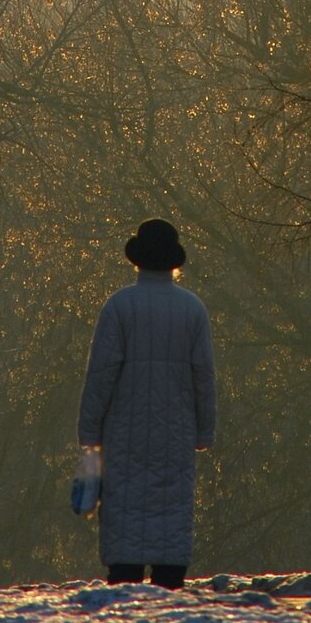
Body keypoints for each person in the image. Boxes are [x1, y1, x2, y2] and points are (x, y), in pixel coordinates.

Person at [77, 218, 217, 589]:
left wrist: (89, 430)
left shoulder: (120, 307)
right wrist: (204, 429)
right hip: (177, 430)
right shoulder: (192, 309)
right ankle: (170, 577)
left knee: (125, 506)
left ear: (136, 260)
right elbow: (203, 375)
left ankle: (124, 579)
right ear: (174, 262)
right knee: (171, 505)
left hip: (125, 430)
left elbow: (101, 375)